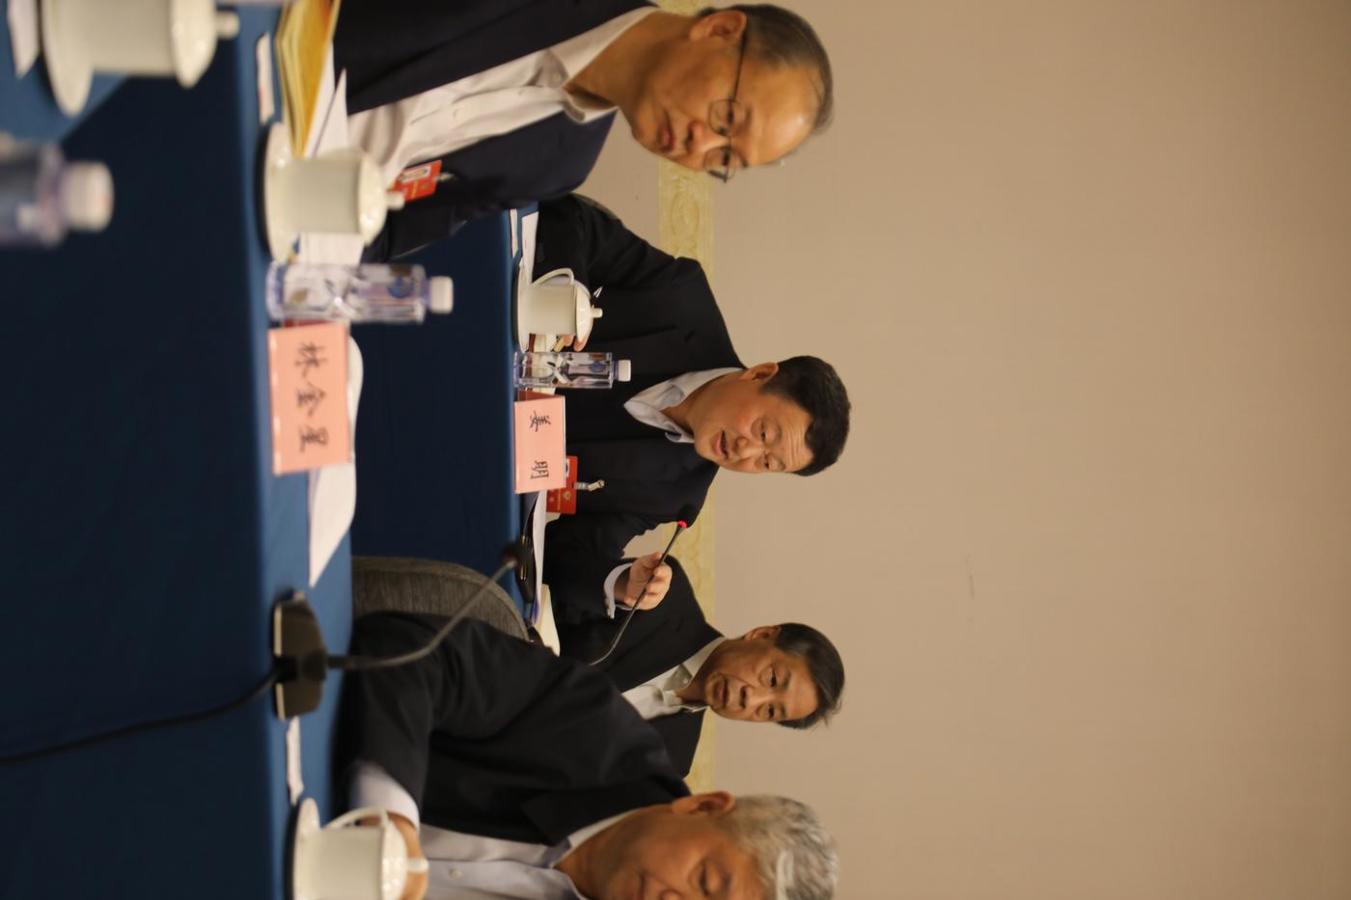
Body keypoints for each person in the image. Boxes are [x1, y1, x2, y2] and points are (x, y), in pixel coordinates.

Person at [337, 612, 839, 900]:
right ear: (702, 806)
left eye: (770, 710)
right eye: (705, 881)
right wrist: (389, 821)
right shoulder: (590, 727)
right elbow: (415, 652)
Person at [533, 195, 851, 624]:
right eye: (763, 433)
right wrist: (563, 297)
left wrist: (619, 582)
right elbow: (575, 221)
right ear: (759, 374)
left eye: (766, 463)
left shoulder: (676, 494)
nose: (745, 452)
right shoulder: (680, 300)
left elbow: (562, 555)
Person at [333, 1, 834, 259]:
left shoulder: (561, 163)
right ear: (719, 29)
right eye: (726, 119)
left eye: (723, 159)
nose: (698, 144)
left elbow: (390, 231)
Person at [559, 555, 844, 775]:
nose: (751, 699)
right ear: (762, 635)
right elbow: (559, 575)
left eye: (769, 711)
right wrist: (624, 586)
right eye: (772, 679)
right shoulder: (666, 597)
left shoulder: (672, 761)